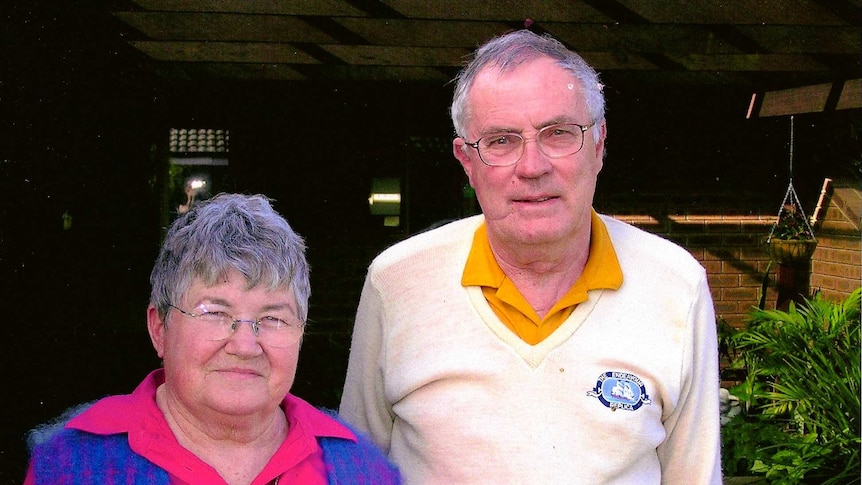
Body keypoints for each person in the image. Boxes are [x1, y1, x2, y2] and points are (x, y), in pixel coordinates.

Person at [338, 30, 721, 484]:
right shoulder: (397, 281)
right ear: (467, 161)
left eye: (558, 134)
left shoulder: (677, 285)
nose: (532, 166)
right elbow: (355, 471)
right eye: (501, 141)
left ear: (599, 144)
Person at [26, 193, 401, 485]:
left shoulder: (359, 470)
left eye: (272, 318)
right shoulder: (72, 463)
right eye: (215, 313)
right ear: (159, 328)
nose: (243, 345)